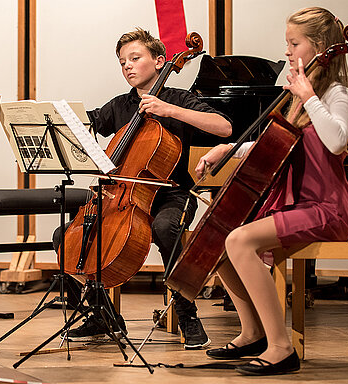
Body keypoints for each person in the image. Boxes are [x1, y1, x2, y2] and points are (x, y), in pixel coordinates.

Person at [196, 7, 348, 375]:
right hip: (299, 204)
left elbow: (336, 141)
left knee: (239, 241)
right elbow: (273, 145)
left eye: (293, 42)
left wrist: (309, 96)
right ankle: (252, 332)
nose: (286, 50)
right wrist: (227, 149)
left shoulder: (335, 93)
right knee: (221, 239)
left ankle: (281, 348)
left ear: (319, 47)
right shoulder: (299, 97)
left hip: (327, 208)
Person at [53, 28, 232, 349]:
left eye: (135, 58)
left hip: (173, 193)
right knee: (66, 237)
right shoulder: (121, 106)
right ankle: (101, 313)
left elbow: (225, 126)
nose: (128, 67)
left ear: (161, 61)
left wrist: (169, 111)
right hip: (121, 197)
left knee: (166, 227)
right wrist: (57, 120)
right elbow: (89, 124)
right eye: (122, 62)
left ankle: (186, 310)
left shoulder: (179, 99)